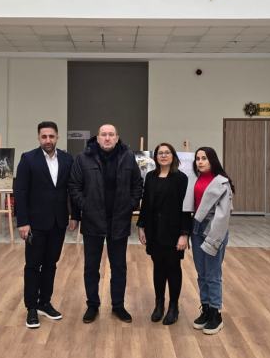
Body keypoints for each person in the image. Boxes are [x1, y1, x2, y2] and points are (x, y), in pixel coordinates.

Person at [69, 124, 143, 324]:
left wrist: (131, 204)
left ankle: (118, 305)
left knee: (119, 267)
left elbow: (137, 183)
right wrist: (86, 206)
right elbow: (74, 186)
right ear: (98, 138)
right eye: (104, 134)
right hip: (93, 220)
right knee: (91, 267)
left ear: (117, 138)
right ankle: (92, 304)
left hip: (119, 220)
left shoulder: (128, 157)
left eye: (111, 134)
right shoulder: (83, 158)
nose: (107, 138)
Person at [14, 121, 81, 329]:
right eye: (44, 137)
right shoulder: (28, 159)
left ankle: (45, 302)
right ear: (38, 138)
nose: (48, 140)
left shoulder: (67, 159)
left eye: (51, 136)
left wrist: (75, 215)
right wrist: (23, 222)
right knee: (33, 265)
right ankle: (31, 308)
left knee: (51, 264)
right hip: (35, 224)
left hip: (58, 222)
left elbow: (73, 188)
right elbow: (20, 192)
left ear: (57, 137)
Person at [137, 143, 191, 325]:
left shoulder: (181, 178)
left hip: (173, 232)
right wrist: (141, 226)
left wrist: (184, 234)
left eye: (167, 152)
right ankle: (159, 304)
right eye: (160, 153)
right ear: (156, 157)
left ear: (173, 156)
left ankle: (173, 306)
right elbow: (146, 204)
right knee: (158, 267)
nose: (163, 155)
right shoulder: (150, 177)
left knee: (173, 267)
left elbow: (186, 209)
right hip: (154, 231)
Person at [184, 147, 234, 335]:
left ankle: (215, 313)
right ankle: (205, 308)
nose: (200, 161)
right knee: (201, 272)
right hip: (196, 226)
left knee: (213, 273)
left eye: (204, 158)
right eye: (198, 158)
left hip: (214, 226)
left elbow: (223, 214)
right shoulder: (194, 179)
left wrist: (216, 234)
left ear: (212, 160)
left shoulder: (222, 182)